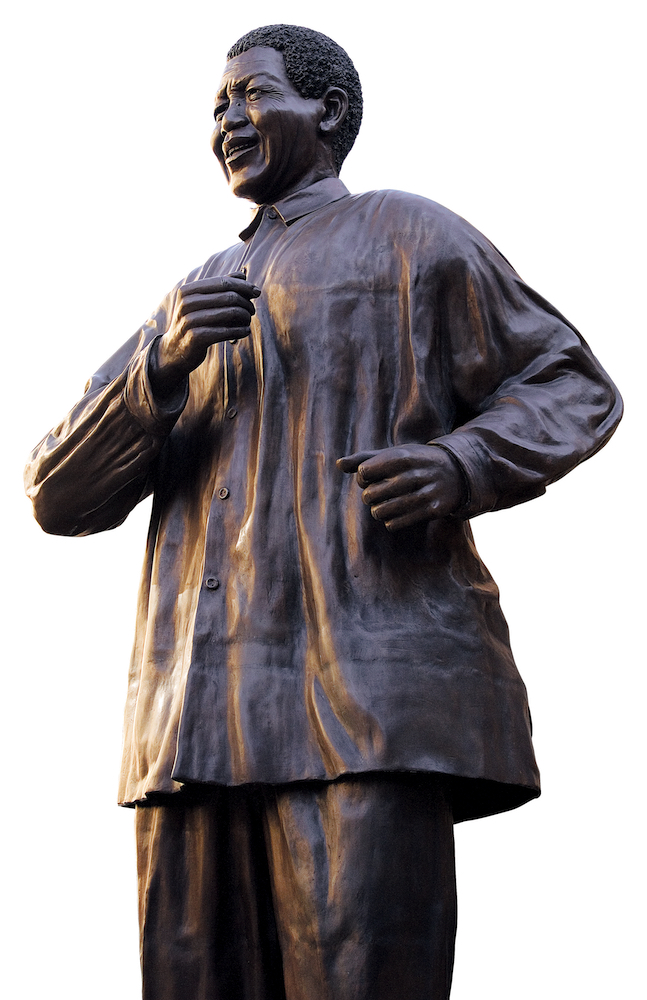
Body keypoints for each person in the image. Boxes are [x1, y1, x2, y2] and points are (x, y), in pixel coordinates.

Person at [25, 23, 622, 1000]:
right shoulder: (192, 302)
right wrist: (153, 371)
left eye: (249, 96)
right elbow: (56, 491)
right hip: (190, 727)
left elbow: (568, 380)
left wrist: (459, 462)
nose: (227, 121)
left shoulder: (407, 233)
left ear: (326, 113)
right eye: (215, 108)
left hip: (360, 703)